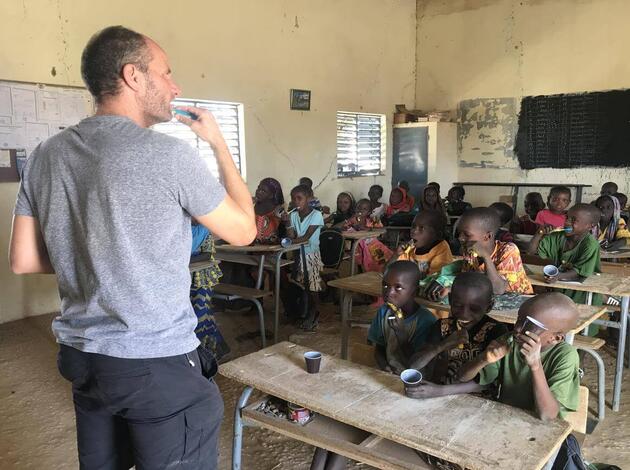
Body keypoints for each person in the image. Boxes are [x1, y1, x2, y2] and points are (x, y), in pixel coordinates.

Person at [9, 26, 256, 469]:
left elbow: (24, 260)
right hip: (153, 360)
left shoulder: (45, 154)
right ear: (133, 77)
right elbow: (243, 231)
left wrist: (95, 256)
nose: (175, 86)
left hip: (84, 359)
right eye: (166, 72)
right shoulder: (168, 155)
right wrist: (218, 144)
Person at [458, 293, 580, 468]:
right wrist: (483, 359)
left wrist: (535, 365)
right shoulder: (509, 341)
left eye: (530, 325)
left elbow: (547, 415)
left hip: (542, 436)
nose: (517, 328)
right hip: (506, 424)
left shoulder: (565, 356)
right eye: (519, 319)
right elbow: (462, 377)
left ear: (555, 338)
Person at [409, 272, 508, 390]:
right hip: (436, 392)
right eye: (458, 305)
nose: (464, 314)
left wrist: (439, 391)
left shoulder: (496, 330)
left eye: (474, 308)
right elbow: (414, 365)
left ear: (489, 306)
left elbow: (488, 383)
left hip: (477, 400)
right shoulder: (442, 326)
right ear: (450, 300)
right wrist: (443, 345)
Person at [427, 208, 533, 301]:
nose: (460, 238)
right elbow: (472, 282)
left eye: (467, 234)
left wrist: (486, 256)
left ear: (487, 237)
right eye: (459, 233)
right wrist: (450, 290)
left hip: (518, 303)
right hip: (489, 301)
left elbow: (498, 289)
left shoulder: (508, 250)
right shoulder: (470, 252)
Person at [368, 261, 437, 374]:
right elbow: (379, 347)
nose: (389, 293)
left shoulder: (426, 321)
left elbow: (416, 364)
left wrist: (401, 333)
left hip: (414, 380)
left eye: (398, 287)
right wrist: (384, 365)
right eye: (385, 285)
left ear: (415, 291)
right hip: (389, 374)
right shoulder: (383, 312)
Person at [529, 203, 602, 305]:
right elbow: (531, 252)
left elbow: (579, 271)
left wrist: (558, 276)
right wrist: (539, 233)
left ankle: (605, 298)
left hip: (582, 294)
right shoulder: (557, 237)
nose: (567, 222)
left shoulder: (590, 245)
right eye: (567, 217)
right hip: (559, 288)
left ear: (590, 226)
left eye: (573, 220)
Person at [284, 184, 325, 329]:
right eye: (293, 199)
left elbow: (306, 238)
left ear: (309, 199)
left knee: (311, 287)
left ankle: (315, 313)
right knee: (301, 285)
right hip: (298, 254)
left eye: (299, 198)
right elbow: (293, 235)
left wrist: (287, 243)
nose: (296, 202)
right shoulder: (293, 215)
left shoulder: (316, 215)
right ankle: (302, 313)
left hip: (311, 255)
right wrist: (288, 223)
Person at [190, 223, 230, 360]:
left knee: (200, 314)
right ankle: (217, 348)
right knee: (197, 315)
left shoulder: (204, 230)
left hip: (203, 278)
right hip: (184, 277)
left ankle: (203, 354)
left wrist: (183, 259)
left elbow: (207, 255)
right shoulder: (181, 227)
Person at [388, 210, 453, 277]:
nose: (414, 231)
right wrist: (396, 255)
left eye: (421, 228)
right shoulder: (409, 249)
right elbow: (388, 272)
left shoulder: (442, 250)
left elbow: (435, 281)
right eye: (413, 226)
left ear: (437, 235)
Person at [254, 177, 285, 244]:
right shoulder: (251, 207)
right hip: (250, 250)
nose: (258, 192)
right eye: (258, 188)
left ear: (271, 195)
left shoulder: (278, 210)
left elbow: (283, 233)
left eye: (263, 191)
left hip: (273, 250)